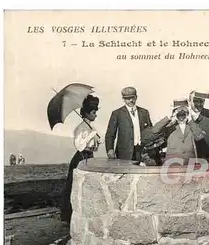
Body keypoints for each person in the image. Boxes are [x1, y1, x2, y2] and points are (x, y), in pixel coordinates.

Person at [61, 95, 101, 224]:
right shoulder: (80, 128)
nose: (96, 115)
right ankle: (69, 216)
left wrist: (97, 142)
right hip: (80, 158)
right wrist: (91, 136)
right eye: (94, 113)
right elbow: (79, 146)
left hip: (89, 157)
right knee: (74, 186)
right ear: (87, 113)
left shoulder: (90, 128)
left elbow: (92, 149)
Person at [105, 87, 153, 161]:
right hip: (124, 153)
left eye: (132, 98)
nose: (131, 100)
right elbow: (110, 134)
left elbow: (150, 132)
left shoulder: (144, 112)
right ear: (123, 99)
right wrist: (109, 149)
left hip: (142, 152)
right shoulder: (117, 113)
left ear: (136, 97)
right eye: (127, 98)